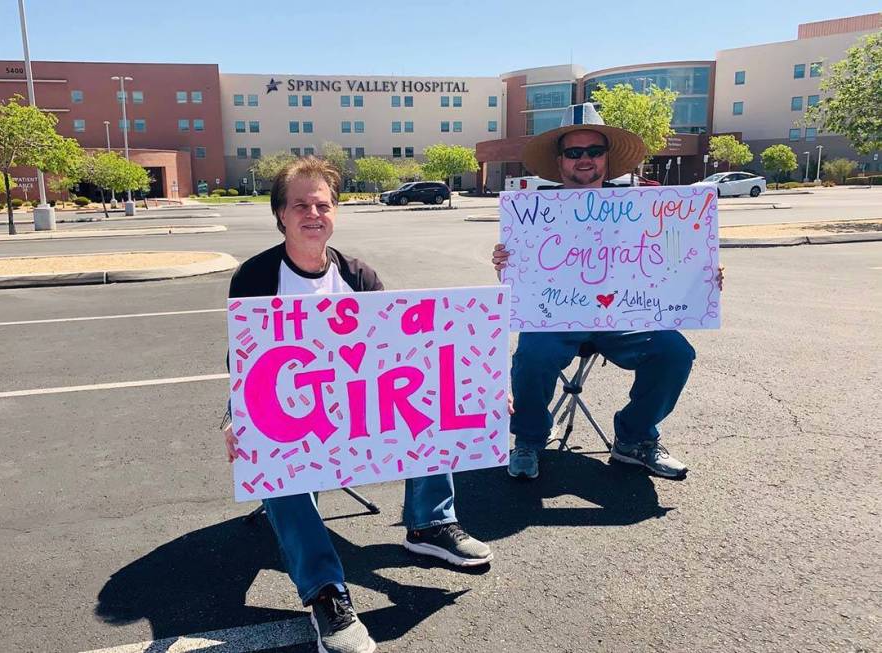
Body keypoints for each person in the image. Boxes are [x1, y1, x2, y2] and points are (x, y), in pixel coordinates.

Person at [223, 157, 493, 653]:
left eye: (322, 204)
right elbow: (242, 362)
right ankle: (326, 591)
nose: (312, 213)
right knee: (275, 459)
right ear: (280, 214)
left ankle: (430, 521)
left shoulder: (358, 275)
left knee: (431, 402)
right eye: (299, 204)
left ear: (335, 212)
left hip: (353, 400)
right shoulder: (256, 277)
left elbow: (399, 353)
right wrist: (234, 416)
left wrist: (483, 386)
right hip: (288, 404)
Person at [492, 103, 724, 481]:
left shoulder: (642, 206)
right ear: (560, 160)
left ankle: (634, 439)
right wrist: (506, 262)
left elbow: (672, 257)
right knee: (532, 354)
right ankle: (529, 439)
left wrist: (700, 277)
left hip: (626, 317)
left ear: (607, 158)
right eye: (574, 152)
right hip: (558, 316)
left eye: (594, 151)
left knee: (675, 353)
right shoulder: (533, 211)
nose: (585, 159)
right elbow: (525, 272)